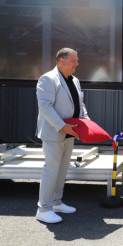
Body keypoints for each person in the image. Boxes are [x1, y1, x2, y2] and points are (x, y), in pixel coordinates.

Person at [35, 48, 88, 223]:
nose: (77, 63)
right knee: (51, 170)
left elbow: (80, 104)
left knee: (62, 169)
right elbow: (45, 107)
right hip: (54, 133)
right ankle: (43, 209)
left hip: (69, 133)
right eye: (73, 60)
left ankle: (56, 202)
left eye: (77, 60)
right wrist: (62, 126)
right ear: (61, 61)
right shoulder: (48, 79)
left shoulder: (75, 80)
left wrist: (86, 121)